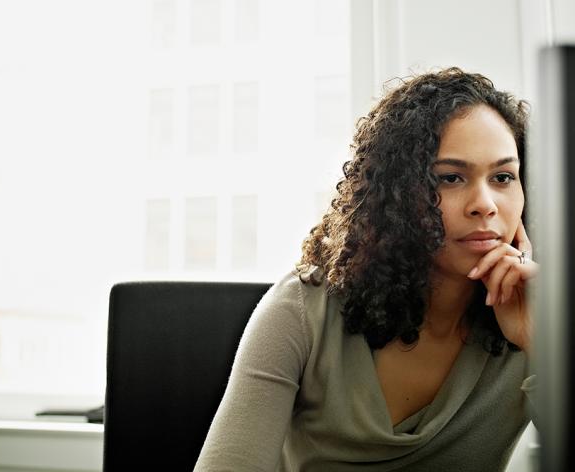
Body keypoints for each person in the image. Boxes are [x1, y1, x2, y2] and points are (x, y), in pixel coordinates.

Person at [194, 67, 539, 471]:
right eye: (450, 178)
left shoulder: (533, 313)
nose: (485, 204)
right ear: (395, 194)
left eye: (502, 176)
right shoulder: (302, 311)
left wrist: (543, 344)